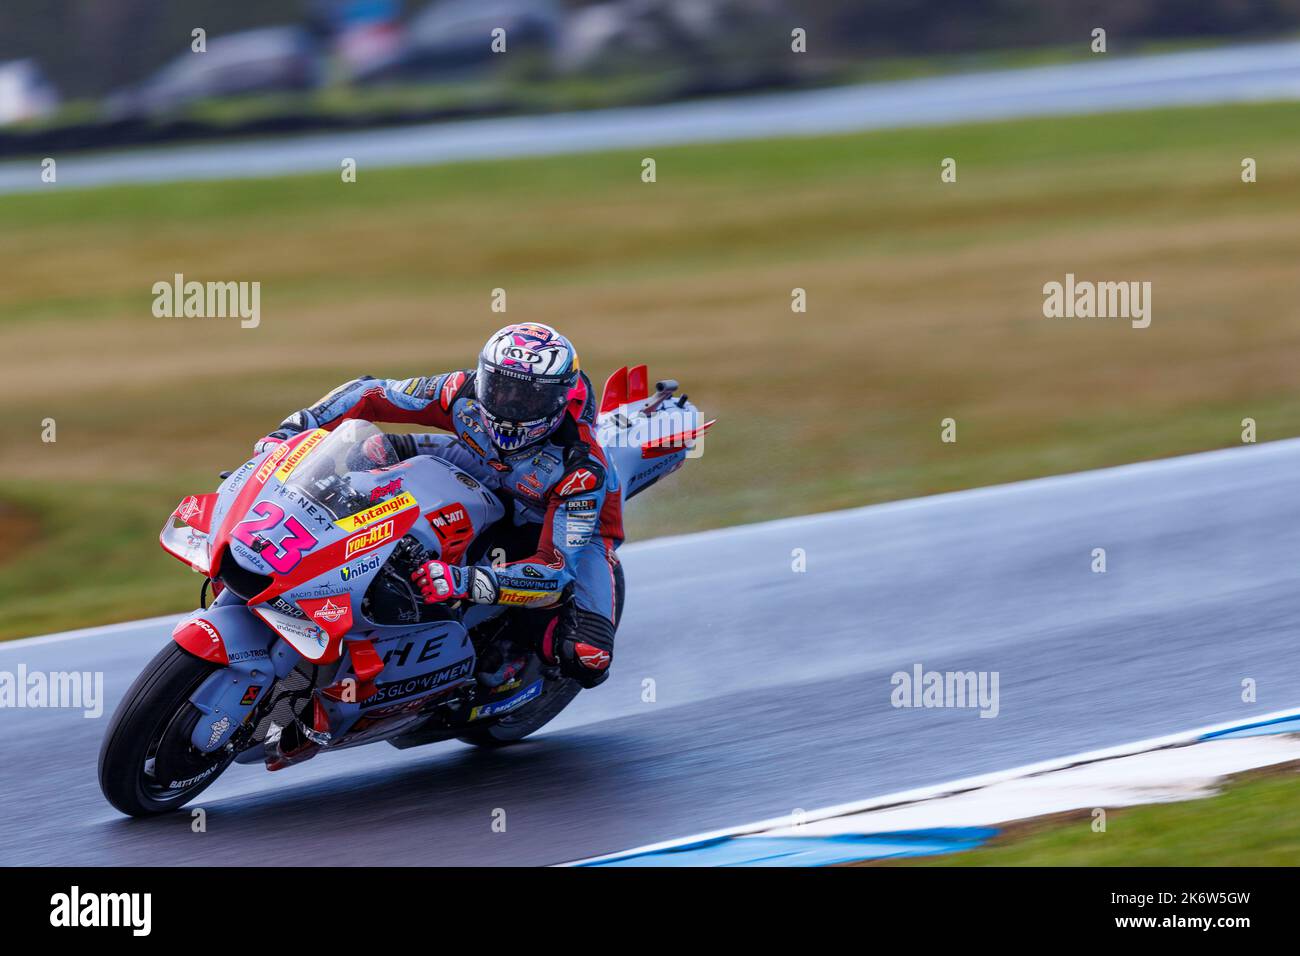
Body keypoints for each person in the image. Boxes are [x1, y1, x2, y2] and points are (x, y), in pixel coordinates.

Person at [256, 323, 624, 686]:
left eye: (528, 397)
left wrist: (462, 582)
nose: (509, 404)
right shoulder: (459, 393)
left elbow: (554, 571)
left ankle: (510, 659)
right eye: (499, 387)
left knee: (588, 657)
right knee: (368, 453)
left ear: (558, 399)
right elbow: (370, 393)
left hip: (563, 520)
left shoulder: (579, 466)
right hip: (485, 464)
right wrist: (288, 434)